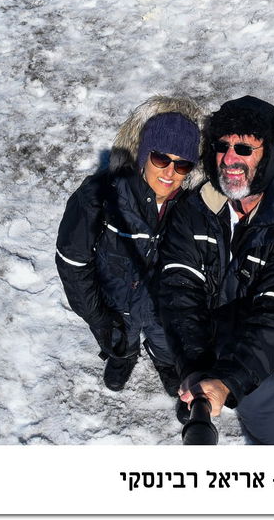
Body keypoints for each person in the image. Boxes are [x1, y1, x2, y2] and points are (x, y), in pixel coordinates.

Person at [157, 95, 274, 444]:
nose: (230, 159)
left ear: (269, 155)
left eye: (244, 148)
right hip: (211, 342)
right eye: (222, 146)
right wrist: (194, 366)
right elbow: (179, 288)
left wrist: (229, 381)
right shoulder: (195, 210)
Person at [55, 96, 203, 396]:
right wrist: (100, 319)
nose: (170, 172)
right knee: (120, 340)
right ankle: (122, 357)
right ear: (143, 155)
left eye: (182, 164)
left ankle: (166, 364)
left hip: (165, 312)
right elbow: (72, 264)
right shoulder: (98, 197)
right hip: (114, 307)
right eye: (161, 158)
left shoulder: (195, 210)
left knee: (167, 345)